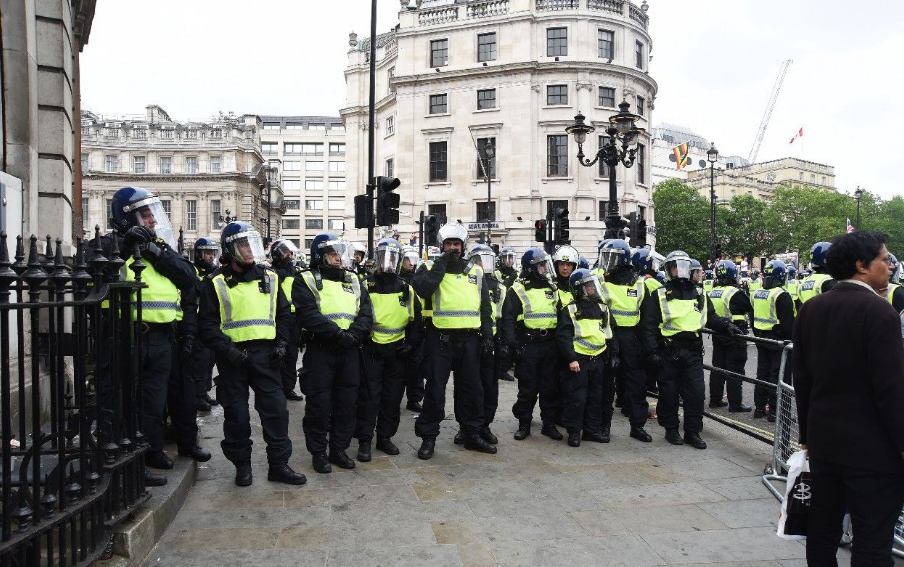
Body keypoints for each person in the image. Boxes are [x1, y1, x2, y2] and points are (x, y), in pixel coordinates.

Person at [792, 231, 904, 566]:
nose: (889, 266)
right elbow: (891, 389)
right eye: (884, 259)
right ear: (862, 265)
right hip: (873, 451)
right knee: (872, 536)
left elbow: (802, 380)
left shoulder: (811, 309)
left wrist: (807, 438)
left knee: (822, 528)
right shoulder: (879, 313)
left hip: (825, 444)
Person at [109, 187, 210, 487]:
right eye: (146, 215)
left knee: (154, 403)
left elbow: (187, 276)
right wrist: (128, 248)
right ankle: (132, 464)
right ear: (127, 218)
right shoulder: (107, 245)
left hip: (162, 336)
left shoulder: (160, 246)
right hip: (123, 336)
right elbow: (97, 277)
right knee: (128, 402)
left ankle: (150, 452)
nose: (153, 220)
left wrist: (153, 249)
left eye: (154, 214)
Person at [198, 221, 304, 486]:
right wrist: (228, 351)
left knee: (276, 412)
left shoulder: (271, 277)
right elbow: (207, 325)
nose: (250, 250)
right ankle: (242, 465)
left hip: (266, 355)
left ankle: (279, 465)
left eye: (252, 244)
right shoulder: (216, 282)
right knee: (236, 415)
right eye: (244, 245)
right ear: (230, 249)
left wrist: (281, 344)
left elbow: (283, 315)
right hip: (233, 358)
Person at [640, 250, 739, 449]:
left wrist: (726, 325)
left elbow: (709, 316)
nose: (679, 270)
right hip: (669, 351)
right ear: (669, 270)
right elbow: (648, 326)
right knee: (669, 394)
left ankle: (693, 432)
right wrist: (652, 352)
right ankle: (671, 429)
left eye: (682, 266)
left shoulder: (699, 292)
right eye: (675, 267)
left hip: (692, 351)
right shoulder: (659, 293)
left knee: (696, 394)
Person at [412, 224, 495, 459]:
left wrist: (487, 336)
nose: (452, 248)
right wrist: (441, 264)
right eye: (448, 244)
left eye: (456, 244)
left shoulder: (476, 272)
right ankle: (428, 438)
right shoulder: (429, 267)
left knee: (472, 391)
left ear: (463, 246)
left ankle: (471, 434)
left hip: (469, 340)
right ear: (441, 246)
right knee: (435, 392)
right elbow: (423, 289)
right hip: (439, 340)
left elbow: (485, 308)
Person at [294, 233, 373, 473]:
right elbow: (308, 314)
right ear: (320, 255)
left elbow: (366, 313)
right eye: (332, 253)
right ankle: (318, 452)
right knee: (319, 404)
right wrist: (337, 335)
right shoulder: (305, 279)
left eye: (340, 253)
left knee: (347, 403)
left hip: (349, 350)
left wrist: (355, 335)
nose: (338, 258)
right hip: (321, 350)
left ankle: (339, 449)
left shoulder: (354, 279)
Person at [356, 238, 422, 461]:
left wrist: (411, 344)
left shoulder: (406, 288)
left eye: (392, 257)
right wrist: (365, 341)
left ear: (399, 260)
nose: (387, 262)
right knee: (369, 398)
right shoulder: (365, 285)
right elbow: (360, 316)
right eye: (383, 256)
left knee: (392, 398)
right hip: (372, 349)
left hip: (397, 351)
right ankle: (364, 440)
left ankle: (384, 437)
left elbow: (416, 321)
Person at [501, 248, 562, 441]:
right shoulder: (518, 289)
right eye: (542, 266)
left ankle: (549, 424)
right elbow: (508, 319)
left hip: (550, 344)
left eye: (546, 265)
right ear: (531, 268)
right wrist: (513, 346)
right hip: (529, 344)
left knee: (549, 388)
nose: (546, 269)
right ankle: (524, 424)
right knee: (528, 388)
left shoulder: (552, 288)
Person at [598, 239, 654, 443]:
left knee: (637, 384)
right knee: (606, 385)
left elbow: (647, 317)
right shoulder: (600, 280)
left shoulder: (640, 283)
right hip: (608, 336)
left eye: (611, 257)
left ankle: (637, 426)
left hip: (631, 337)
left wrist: (647, 346)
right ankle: (604, 425)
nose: (607, 261)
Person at [557, 269, 619, 447]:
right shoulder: (570, 309)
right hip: (580, 360)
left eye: (593, 285)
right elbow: (564, 337)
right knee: (577, 398)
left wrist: (614, 354)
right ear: (580, 288)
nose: (593, 288)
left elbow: (611, 333)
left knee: (595, 397)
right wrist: (571, 358)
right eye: (589, 285)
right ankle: (574, 432)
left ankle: (591, 431)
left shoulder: (602, 308)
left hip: (598, 359)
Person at [453, 244, 505, 446]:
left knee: (489, 386)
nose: (484, 265)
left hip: (491, 341)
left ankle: (484, 425)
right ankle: (465, 426)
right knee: (466, 386)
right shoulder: (467, 281)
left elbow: (503, 316)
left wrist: (502, 342)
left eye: (487, 260)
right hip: (472, 340)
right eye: (479, 260)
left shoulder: (499, 286)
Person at [750, 260, 795, 422]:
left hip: (762, 337)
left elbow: (753, 318)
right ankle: (776, 411)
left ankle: (760, 408)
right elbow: (789, 324)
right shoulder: (781, 294)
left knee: (762, 374)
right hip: (778, 341)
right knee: (777, 376)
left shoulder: (758, 293)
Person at [707, 260, 753, 412]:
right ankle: (735, 404)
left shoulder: (713, 292)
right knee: (735, 370)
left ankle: (715, 399)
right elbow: (748, 306)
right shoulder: (734, 292)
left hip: (717, 333)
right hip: (734, 334)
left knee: (718, 368)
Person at [269, 239, 305, 402]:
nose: (289, 255)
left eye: (289, 252)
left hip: (295, 318)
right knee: (278, 353)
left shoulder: (296, 271)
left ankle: (288, 388)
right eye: (285, 252)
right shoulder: (272, 273)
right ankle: (276, 387)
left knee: (291, 355)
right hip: (278, 318)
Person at [191, 236, 220, 412]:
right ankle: (198, 395)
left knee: (210, 359)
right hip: (197, 320)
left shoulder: (214, 272)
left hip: (211, 320)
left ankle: (205, 392)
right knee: (200, 361)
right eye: (208, 253)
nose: (210, 257)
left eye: (212, 253)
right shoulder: (193, 271)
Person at [399, 246, 427, 410]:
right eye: (409, 260)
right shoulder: (397, 279)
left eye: (414, 260)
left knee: (417, 364)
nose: (412, 264)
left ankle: (414, 398)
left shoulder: (420, 279)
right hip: (402, 325)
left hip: (418, 325)